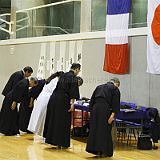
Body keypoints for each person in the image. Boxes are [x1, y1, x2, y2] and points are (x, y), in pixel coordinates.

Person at [43, 63, 81, 148]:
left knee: (54, 119)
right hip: (63, 100)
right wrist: (72, 104)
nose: (79, 72)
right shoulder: (73, 77)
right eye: (79, 70)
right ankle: (61, 142)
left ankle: (52, 140)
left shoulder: (63, 75)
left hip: (54, 98)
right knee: (63, 121)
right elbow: (73, 93)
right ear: (77, 69)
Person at [86, 77, 120, 157]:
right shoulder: (115, 89)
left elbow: (92, 100)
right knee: (105, 130)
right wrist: (112, 115)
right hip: (105, 110)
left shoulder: (99, 87)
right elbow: (115, 104)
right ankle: (104, 151)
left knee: (94, 129)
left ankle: (94, 149)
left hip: (95, 109)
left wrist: (90, 111)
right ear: (116, 83)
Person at [27, 71, 64, 136]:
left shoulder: (50, 79)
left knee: (37, 113)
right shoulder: (56, 81)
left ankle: (34, 128)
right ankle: (41, 131)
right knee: (44, 115)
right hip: (47, 98)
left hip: (41, 97)